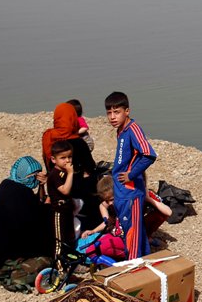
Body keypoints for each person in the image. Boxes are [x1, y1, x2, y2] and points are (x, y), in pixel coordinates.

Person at [106, 91, 157, 259]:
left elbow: (149, 154)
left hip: (131, 192)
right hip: (122, 192)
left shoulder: (133, 129)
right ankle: (145, 266)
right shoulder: (121, 130)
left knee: (132, 236)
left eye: (117, 112)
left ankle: (134, 272)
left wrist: (132, 174)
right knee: (134, 232)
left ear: (127, 111)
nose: (112, 117)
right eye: (109, 112)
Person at [41, 102, 100, 230]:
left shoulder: (49, 138)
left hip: (55, 189)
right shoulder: (78, 143)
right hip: (77, 194)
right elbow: (90, 168)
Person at [45, 140, 78, 271]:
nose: (67, 161)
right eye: (63, 158)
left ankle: (69, 264)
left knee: (69, 238)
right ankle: (59, 268)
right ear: (54, 159)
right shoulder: (54, 175)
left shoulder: (64, 173)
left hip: (67, 210)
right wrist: (70, 173)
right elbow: (65, 190)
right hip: (58, 211)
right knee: (60, 240)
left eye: (69, 157)